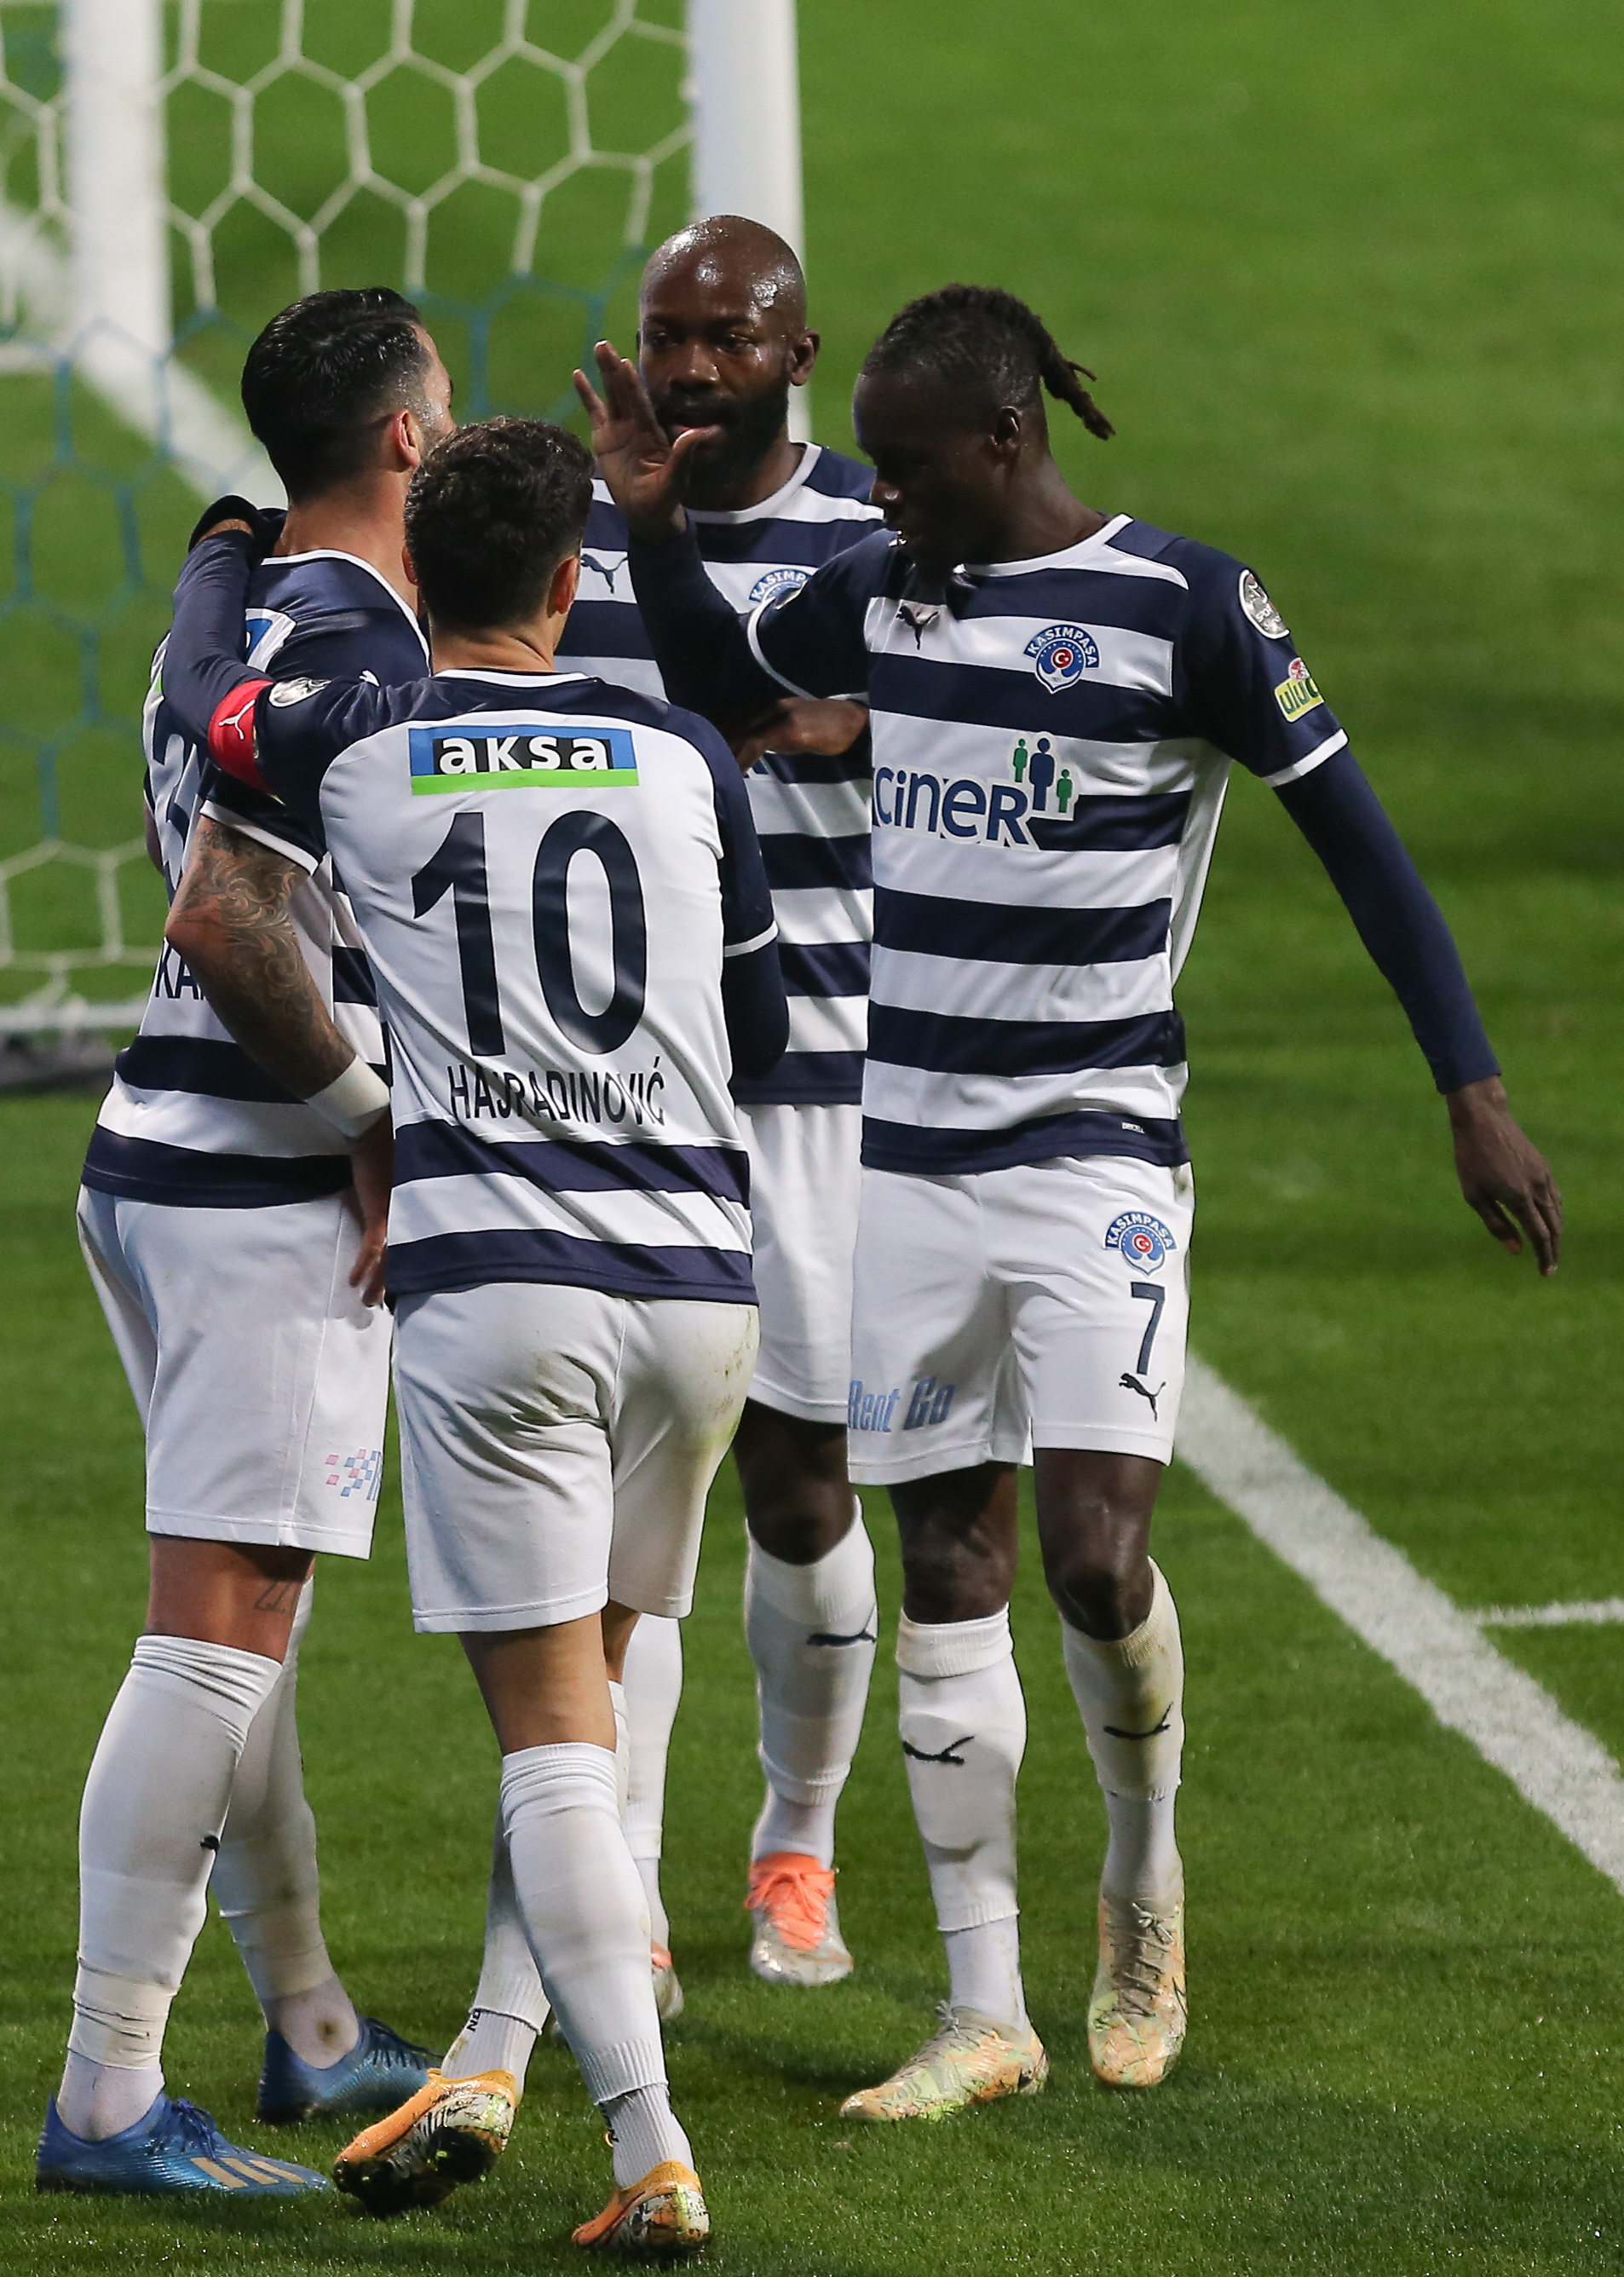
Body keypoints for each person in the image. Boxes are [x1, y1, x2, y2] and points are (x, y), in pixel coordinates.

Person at [577, 282, 1562, 2122]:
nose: (881, 495)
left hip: (1095, 1151)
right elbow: (732, 691)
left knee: (1096, 1561)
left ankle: (1142, 1884)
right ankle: (983, 2013)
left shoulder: (1187, 606)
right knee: (946, 1568)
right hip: (907, 1157)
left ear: (1005, 439)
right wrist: (647, 532)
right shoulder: (890, 585)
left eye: (910, 465)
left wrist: (1473, 1092)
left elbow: (1362, 850)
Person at [159, 417, 788, 2257]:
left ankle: (650, 2150)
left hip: (502, 1287)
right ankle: (498, 2057)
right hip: (700, 1288)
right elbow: (754, 1019)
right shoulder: (682, 751)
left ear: (415, 575)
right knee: (596, 1697)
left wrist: (221, 557)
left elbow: (207, 710)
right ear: (573, 582)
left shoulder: (357, 733)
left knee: (550, 1740)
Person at [36, 289, 452, 2199]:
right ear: (405, 440)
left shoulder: (236, 614)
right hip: (261, 1195)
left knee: (253, 1613)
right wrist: (372, 1120)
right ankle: (107, 2096)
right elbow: (221, 914)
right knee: (216, 1631)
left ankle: (308, 2023)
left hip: (160, 1157)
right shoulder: (357, 645)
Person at [559, 214, 883, 2003]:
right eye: (665, 333)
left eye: (725, 338)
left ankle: (797, 1843)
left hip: (819, 1081)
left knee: (799, 1480)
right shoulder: (575, 537)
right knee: (630, 1498)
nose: (688, 367)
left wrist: (860, 732)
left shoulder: (877, 534)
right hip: (622, 1083)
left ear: (795, 354)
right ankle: (625, 1896)